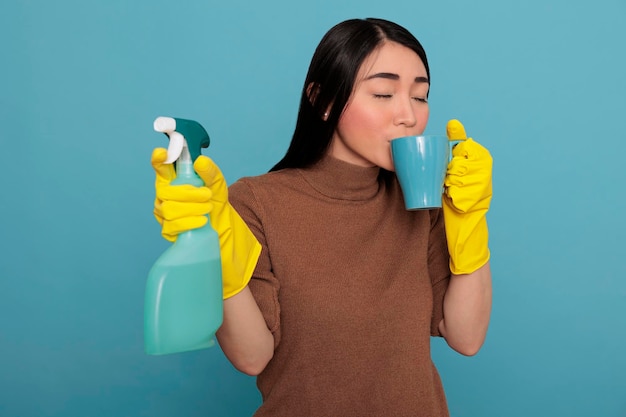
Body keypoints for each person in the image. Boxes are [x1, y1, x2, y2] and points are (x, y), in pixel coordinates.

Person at [151, 17, 493, 417]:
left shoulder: (424, 203)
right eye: (383, 93)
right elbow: (252, 357)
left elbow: (467, 338)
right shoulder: (255, 203)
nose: (409, 116)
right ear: (323, 100)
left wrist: (469, 218)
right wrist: (214, 245)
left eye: (420, 96)